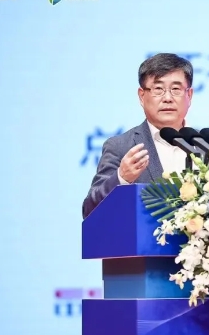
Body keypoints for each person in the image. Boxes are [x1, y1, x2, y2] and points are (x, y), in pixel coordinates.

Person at [82, 53, 194, 219]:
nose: (168, 98)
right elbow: (89, 211)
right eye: (158, 89)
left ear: (189, 95)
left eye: (176, 89)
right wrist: (122, 178)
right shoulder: (121, 147)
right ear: (142, 96)